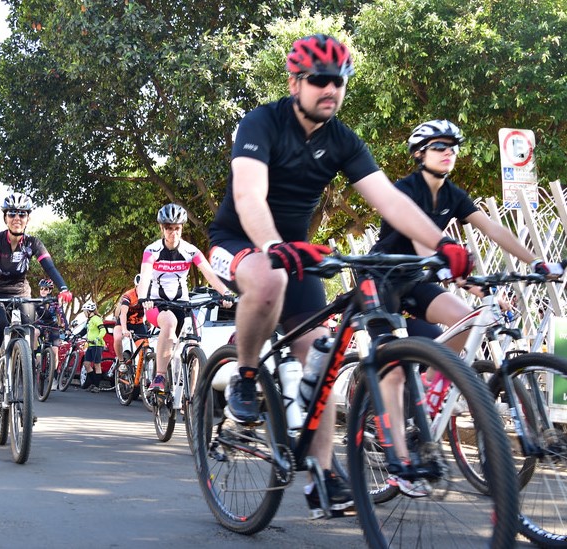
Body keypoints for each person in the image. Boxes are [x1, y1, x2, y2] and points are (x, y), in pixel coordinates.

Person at [206, 34, 475, 518]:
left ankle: (323, 476)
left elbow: (391, 200)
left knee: (322, 356)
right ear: (295, 82)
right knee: (270, 280)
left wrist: (442, 243)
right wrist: (272, 246)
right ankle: (246, 376)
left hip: (299, 252)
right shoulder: (262, 122)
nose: (332, 89)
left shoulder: (343, 140)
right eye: (322, 81)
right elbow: (248, 195)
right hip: (240, 239)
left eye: (341, 81)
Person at [371, 119, 565, 496]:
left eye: (453, 147)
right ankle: (398, 463)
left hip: (419, 282)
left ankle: (427, 393)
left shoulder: (453, 194)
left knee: (465, 319)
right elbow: (423, 239)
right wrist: (460, 275)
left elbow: (494, 229)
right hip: (383, 282)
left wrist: (535, 263)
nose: (448, 153)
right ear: (419, 154)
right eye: (439, 147)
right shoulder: (405, 190)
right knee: (392, 371)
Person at [0, 193, 73, 397]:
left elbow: (49, 266)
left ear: (28, 218)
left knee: (28, 327)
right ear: (5, 217)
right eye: (12, 213)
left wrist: (63, 288)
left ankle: (23, 361)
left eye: (22, 214)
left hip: (21, 291)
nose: (17, 218)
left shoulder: (33, 243)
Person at [138, 203, 234, 394]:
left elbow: (209, 273)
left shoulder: (191, 251)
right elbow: (146, 275)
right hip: (155, 304)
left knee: (193, 345)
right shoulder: (152, 250)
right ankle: (159, 376)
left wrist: (226, 292)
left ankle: (191, 397)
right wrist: (143, 297)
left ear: (182, 228)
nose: (173, 233)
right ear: (161, 228)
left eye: (177, 228)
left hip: (182, 303)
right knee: (170, 322)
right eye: (168, 228)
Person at [34, 278, 69, 381]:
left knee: (54, 352)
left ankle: (54, 377)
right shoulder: (37, 301)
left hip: (53, 326)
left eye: (45, 289)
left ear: (49, 290)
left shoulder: (55, 302)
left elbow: (61, 315)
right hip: (40, 325)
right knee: (34, 333)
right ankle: (34, 355)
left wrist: (66, 328)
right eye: (41, 289)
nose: (43, 291)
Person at [112, 274, 148, 373]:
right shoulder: (128, 295)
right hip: (124, 322)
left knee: (145, 349)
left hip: (138, 324)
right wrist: (124, 329)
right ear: (136, 286)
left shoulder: (149, 296)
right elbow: (123, 313)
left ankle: (142, 375)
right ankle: (121, 361)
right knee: (118, 338)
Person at [79, 301, 106, 392]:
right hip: (90, 345)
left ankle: (96, 386)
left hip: (97, 345)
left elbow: (103, 331)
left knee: (97, 365)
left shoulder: (96, 319)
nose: (84, 313)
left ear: (89, 311)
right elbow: (85, 331)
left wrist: (97, 338)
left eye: (85, 311)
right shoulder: (89, 320)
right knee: (86, 364)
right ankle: (93, 383)